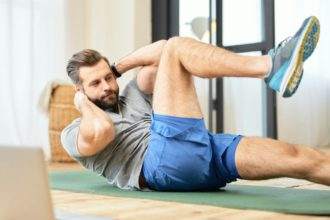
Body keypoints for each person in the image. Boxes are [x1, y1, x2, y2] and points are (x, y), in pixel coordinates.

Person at [61, 16, 329, 191]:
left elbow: (161, 49)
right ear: (80, 89)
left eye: (108, 78)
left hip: (203, 150)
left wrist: (118, 67)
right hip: (159, 165)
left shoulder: (131, 95)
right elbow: (103, 130)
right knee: (177, 48)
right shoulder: (74, 132)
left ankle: (274, 67)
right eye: (95, 83)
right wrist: (83, 103)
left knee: (298, 157)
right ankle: (270, 66)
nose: (107, 86)